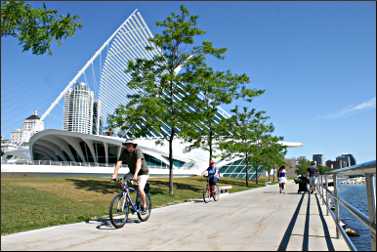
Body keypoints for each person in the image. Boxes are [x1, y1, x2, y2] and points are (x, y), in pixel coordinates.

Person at [112, 139, 149, 214]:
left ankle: (144, 206)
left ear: (133, 145)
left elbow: (139, 162)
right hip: (132, 172)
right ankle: (128, 199)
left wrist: (136, 174)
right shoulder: (125, 151)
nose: (128, 146)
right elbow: (119, 163)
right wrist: (115, 174)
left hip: (142, 172)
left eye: (129, 145)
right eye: (126, 145)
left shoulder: (137, 150)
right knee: (121, 182)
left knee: (140, 188)